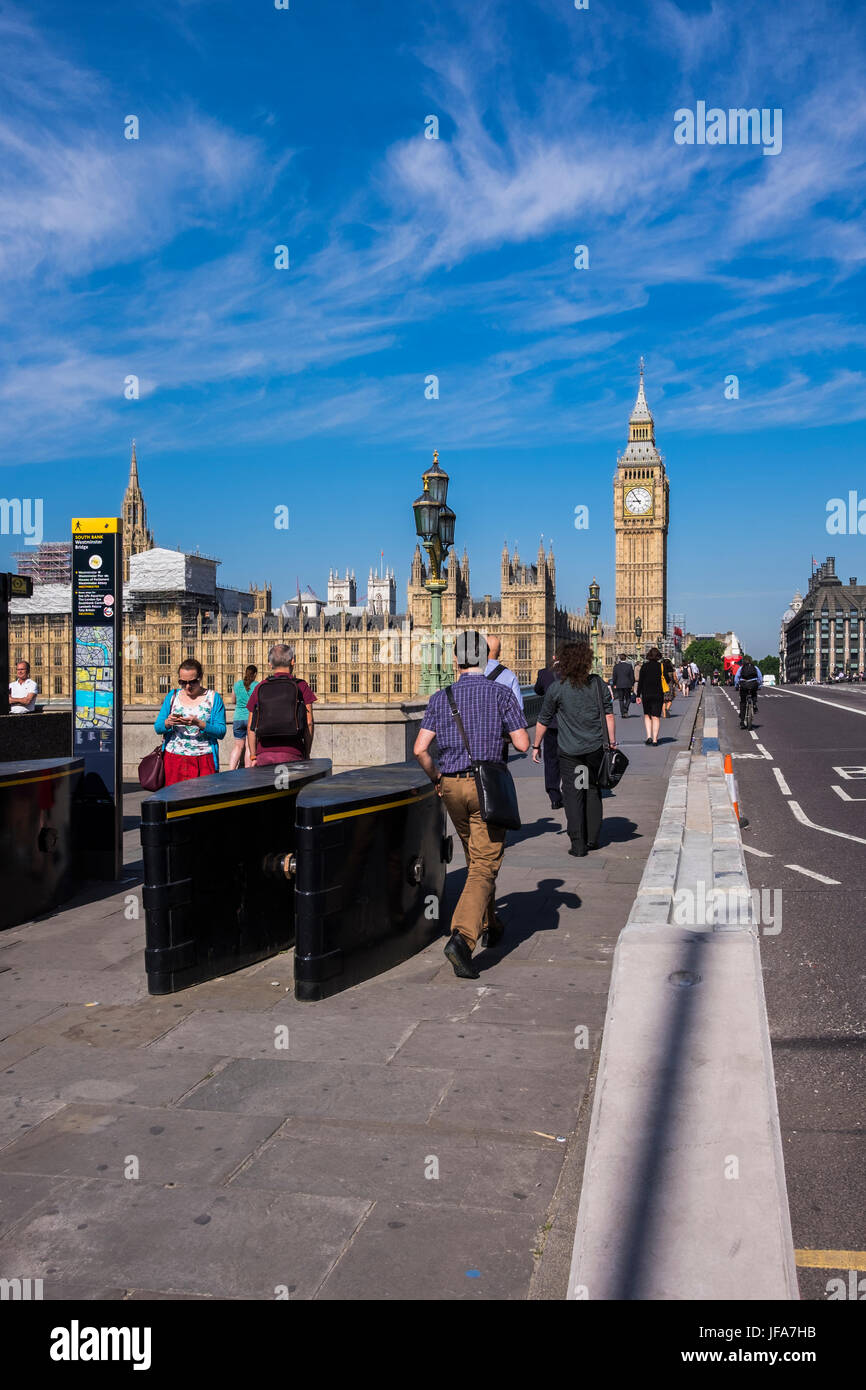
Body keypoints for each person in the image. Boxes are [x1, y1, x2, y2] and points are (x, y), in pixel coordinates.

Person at [413, 630, 529, 980]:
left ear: (456, 660)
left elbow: (420, 749)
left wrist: (437, 778)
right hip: (485, 787)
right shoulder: (500, 692)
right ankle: (463, 938)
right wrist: (499, 729)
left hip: (450, 787)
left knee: (477, 857)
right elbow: (523, 743)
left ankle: (491, 924)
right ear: (484, 659)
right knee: (484, 864)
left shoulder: (441, 697)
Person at [532, 641, 616, 858]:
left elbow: (543, 719)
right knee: (592, 790)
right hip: (595, 749)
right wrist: (612, 742)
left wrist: (535, 745)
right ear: (587, 662)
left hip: (570, 753)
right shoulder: (597, 684)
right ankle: (592, 839)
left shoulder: (557, 688)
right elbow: (608, 714)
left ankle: (578, 844)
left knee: (573, 794)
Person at [154, 659, 226, 785]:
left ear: (200, 677)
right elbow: (158, 727)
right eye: (183, 682)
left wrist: (199, 723)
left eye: (192, 682)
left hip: (204, 758)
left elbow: (221, 732)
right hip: (174, 758)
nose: (188, 686)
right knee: (174, 801)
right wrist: (168, 722)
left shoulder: (213, 698)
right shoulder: (172, 696)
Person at [246, 644, 316, 767]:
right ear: (293, 661)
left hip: (264, 753)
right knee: (291, 786)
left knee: (268, 787)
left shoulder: (260, 687)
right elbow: (309, 723)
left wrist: (253, 755)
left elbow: (251, 726)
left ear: (270, 664)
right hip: (293, 752)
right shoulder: (301, 686)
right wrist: (307, 752)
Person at [534, 649, 563, 809]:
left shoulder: (544, 673)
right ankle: (571, 791)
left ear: (553, 658)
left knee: (551, 760)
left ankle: (554, 796)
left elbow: (537, 690)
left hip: (550, 724)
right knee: (569, 758)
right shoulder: (573, 673)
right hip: (569, 725)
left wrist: (536, 745)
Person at [230, 664, 259, 770]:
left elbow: (233, 701)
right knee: (248, 747)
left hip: (237, 718)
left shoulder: (237, 685)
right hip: (250, 718)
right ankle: (248, 770)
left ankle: (231, 770)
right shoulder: (257, 685)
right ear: (255, 674)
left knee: (237, 747)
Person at [637, 646, 665, 745]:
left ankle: (648, 736)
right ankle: (655, 740)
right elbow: (666, 679)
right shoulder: (661, 666)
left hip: (646, 694)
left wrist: (638, 695)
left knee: (647, 715)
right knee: (656, 717)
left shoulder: (644, 666)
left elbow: (640, 681)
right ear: (658, 656)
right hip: (658, 694)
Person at [734, 655, 763, 727]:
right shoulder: (755, 667)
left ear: (743, 662)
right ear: (751, 661)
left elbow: (736, 677)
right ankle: (754, 704)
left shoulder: (741, 668)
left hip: (744, 685)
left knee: (743, 702)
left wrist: (737, 685)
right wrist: (759, 686)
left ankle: (742, 721)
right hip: (753, 684)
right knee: (754, 693)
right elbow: (760, 677)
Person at [610, 653, 636, 718]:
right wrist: (632, 684)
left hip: (619, 684)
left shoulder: (616, 666)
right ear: (626, 658)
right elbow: (632, 676)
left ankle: (622, 713)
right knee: (628, 698)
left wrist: (614, 684)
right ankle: (625, 709)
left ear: (620, 659)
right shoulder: (629, 666)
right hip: (627, 684)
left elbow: (614, 676)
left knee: (621, 699)